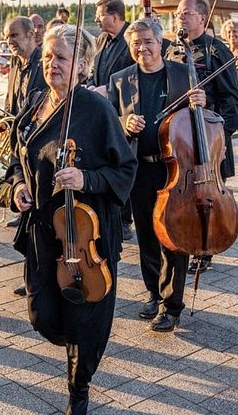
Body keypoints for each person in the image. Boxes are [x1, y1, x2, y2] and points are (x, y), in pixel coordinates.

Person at [7, 24, 136, 414]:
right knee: (43, 314)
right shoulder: (34, 104)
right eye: (48, 56)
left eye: (61, 57)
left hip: (86, 232)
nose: (52, 64)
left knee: (85, 316)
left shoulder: (96, 109)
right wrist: (16, 187)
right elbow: (16, 160)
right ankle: (76, 348)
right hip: (44, 230)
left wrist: (86, 178)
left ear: (82, 65)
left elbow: (125, 170)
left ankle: (78, 389)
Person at [109, 19, 206, 332]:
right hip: (140, 169)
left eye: (148, 41)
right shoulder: (120, 79)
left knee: (174, 237)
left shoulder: (182, 74)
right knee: (148, 235)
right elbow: (110, 120)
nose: (142, 48)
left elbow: (204, 119)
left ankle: (171, 304)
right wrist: (124, 123)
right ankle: (153, 291)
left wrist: (201, 104)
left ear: (161, 42)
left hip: (174, 169)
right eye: (136, 43)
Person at [164, 0, 238, 274]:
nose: (179, 17)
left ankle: (205, 245)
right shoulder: (171, 51)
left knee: (207, 199)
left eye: (186, 13)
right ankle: (181, 238)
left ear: (202, 19)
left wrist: (214, 137)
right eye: (178, 14)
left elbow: (233, 102)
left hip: (207, 142)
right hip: (177, 141)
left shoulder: (218, 52)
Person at [0, 17, 46, 241]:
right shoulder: (14, 62)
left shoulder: (44, 62)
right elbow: (10, 101)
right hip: (17, 136)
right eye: (6, 36)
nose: (9, 41)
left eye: (14, 35)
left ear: (31, 34)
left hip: (36, 136)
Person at [89, 0, 136, 241]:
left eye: (100, 14)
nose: (96, 19)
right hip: (101, 109)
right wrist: (90, 86)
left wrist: (109, 90)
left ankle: (124, 218)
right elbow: (94, 70)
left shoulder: (130, 39)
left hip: (123, 111)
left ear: (115, 16)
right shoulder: (101, 40)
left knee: (122, 161)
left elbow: (134, 73)